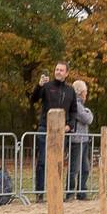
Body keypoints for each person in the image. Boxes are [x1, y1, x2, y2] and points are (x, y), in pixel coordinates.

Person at [29, 62, 78, 202]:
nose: (58, 72)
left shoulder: (70, 90)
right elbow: (33, 99)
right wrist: (39, 85)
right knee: (43, 162)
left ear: (67, 73)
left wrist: (70, 125)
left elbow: (74, 110)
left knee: (58, 163)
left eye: (61, 70)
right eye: (56, 69)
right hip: (45, 128)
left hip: (62, 131)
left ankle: (56, 191)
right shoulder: (47, 86)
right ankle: (40, 194)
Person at [66, 80, 94, 201]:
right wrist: (88, 112)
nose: (86, 94)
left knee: (85, 168)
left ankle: (82, 192)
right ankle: (70, 193)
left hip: (83, 139)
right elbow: (87, 119)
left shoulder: (81, 105)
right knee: (74, 168)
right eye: (85, 92)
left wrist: (87, 111)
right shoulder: (76, 104)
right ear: (81, 92)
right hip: (76, 140)